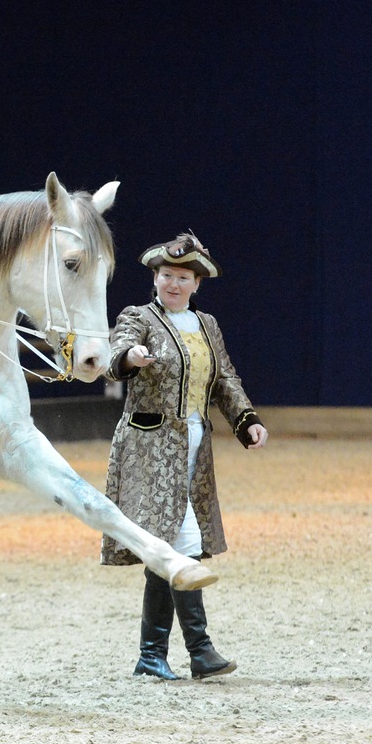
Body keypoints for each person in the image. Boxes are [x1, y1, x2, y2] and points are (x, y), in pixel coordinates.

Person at [101, 232, 268, 681]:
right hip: (150, 450)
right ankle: (199, 649)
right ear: (154, 278)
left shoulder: (207, 325)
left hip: (196, 446)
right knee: (182, 543)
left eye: (182, 277)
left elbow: (224, 378)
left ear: (197, 284)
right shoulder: (139, 317)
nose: (173, 283)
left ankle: (154, 655)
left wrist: (245, 419)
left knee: (167, 548)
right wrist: (130, 356)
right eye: (166, 275)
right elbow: (118, 349)